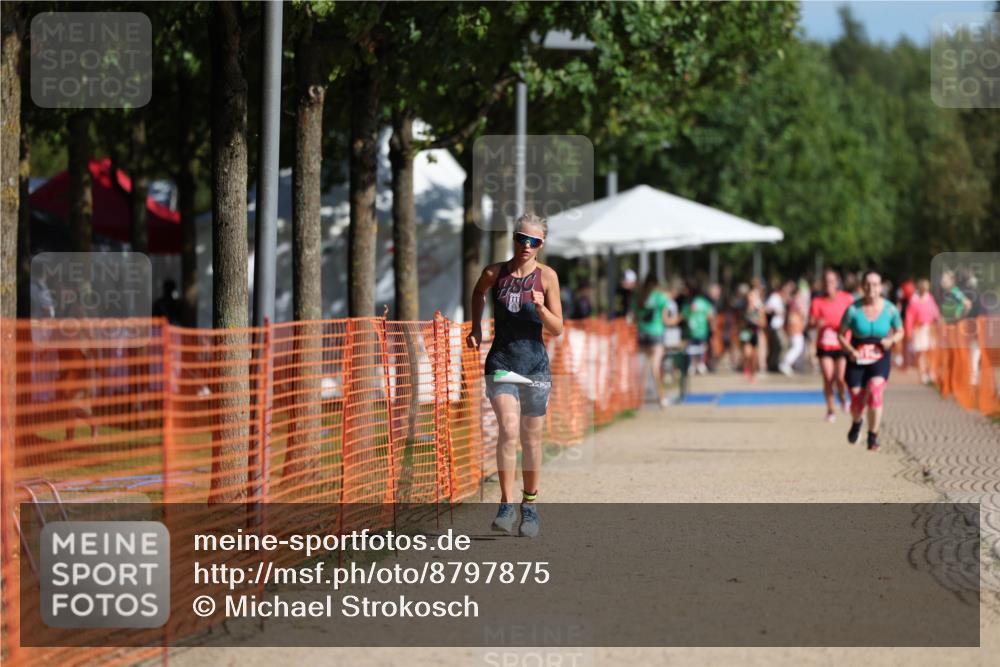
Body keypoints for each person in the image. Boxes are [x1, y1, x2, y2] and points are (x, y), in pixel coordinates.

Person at [467, 213, 563, 538]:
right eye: (521, 238)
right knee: (508, 430)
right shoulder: (495, 273)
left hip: (535, 364)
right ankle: (506, 504)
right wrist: (476, 327)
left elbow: (558, 328)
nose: (526, 245)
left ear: (541, 245)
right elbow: (478, 293)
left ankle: (530, 506)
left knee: (531, 439)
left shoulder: (547, 277)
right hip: (502, 362)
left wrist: (542, 309)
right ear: (514, 238)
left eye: (533, 241)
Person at [838, 270, 904, 452]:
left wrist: (891, 340)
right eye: (867, 284)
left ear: (880, 287)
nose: (871, 288)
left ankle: (873, 436)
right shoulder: (853, 309)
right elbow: (841, 335)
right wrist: (850, 351)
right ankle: (857, 421)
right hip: (857, 356)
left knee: (875, 392)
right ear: (862, 286)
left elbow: (900, 331)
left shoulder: (890, 309)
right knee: (857, 401)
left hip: (880, 355)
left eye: (875, 284)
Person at [809, 270, 854, 421]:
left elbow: (854, 318)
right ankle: (830, 410)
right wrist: (816, 323)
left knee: (840, 378)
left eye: (832, 281)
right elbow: (810, 324)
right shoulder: (817, 301)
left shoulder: (846, 298)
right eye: (826, 281)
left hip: (842, 344)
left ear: (837, 283)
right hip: (825, 345)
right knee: (828, 377)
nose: (829, 284)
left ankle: (842, 398)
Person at [635, 273, 677, 408]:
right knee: (655, 367)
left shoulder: (639, 296)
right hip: (656, 333)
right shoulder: (661, 298)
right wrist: (679, 319)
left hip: (642, 333)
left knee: (644, 368)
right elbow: (666, 320)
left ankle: (639, 398)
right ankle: (661, 397)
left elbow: (636, 317)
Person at [904, 278, 940, 385]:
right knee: (920, 353)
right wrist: (909, 331)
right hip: (918, 329)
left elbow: (935, 312)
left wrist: (938, 322)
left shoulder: (930, 298)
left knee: (930, 352)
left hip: (929, 328)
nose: (925, 290)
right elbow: (909, 316)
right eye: (923, 287)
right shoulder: (914, 300)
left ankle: (931, 372)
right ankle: (922, 375)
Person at [682, 281, 715, 375]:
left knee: (695, 346)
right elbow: (710, 315)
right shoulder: (704, 302)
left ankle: (695, 365)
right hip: (701, 329)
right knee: (700, 346)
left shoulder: (689, 302)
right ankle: (698, 364)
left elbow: (684, 315)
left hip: (693, 330)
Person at [740, 286, 766, 381]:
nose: (750, 298)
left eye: (752, 296)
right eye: (749, 296)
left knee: (754, 356)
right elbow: (740, 321)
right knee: (747, 353)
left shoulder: (759, 309)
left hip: (755, 332)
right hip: (746, 332)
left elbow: (763, 323)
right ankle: (746, 368)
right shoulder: (744, 307)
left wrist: (756, 321)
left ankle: (753, 373)